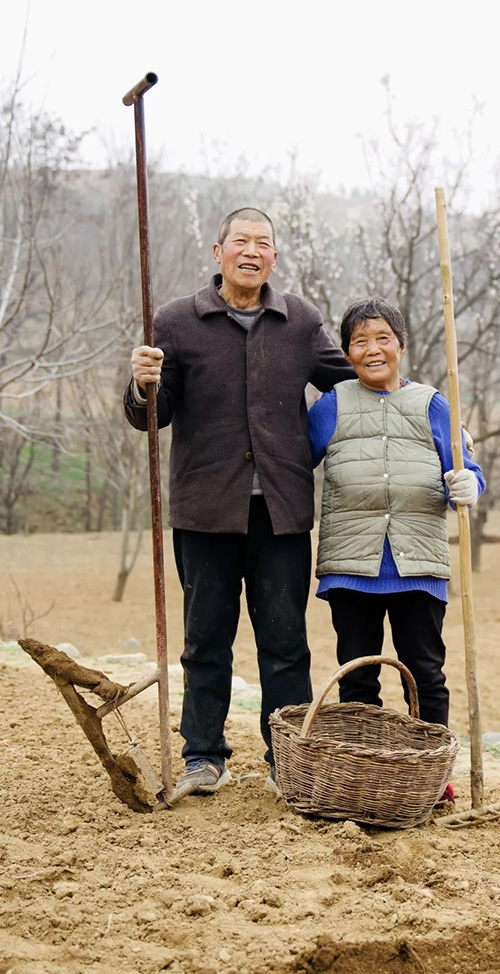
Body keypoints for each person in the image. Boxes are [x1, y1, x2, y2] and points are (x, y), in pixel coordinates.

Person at [124, 207, 355, 796]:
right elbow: (154, 416)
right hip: (205, 511)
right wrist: (141, 384)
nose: (251, 251)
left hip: (281, 512)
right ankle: (205, 758)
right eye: (240, 242)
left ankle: (288, 762)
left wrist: (420, 410)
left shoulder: (298, 319)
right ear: (217, 250)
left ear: (275, 256)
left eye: (264, 243)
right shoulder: (176, 321)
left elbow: (349, 381)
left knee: (285, 644)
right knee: (205, 642)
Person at [308, 297, 485, 805]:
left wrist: (469, 482)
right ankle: (362, 777)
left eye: (383, 338)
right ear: (347, 352)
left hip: (419, 566)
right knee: (359, 677)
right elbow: (292, 461)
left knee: (426, 673)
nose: (373, 349)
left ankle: (431, 778)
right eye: (360, 341)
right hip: (350, 566)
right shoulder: (331, 405)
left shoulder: (431, 404)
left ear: (401, 346)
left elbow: (465, 467)